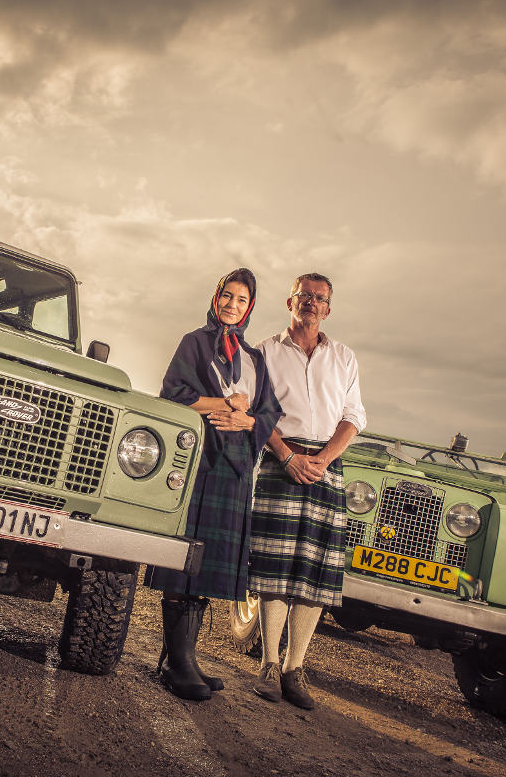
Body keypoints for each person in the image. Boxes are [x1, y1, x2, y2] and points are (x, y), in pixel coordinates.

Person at [145, 268, 282, 701]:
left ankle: (183, 658)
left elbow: (270, 413)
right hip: (199, 460)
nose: (232, 305)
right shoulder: (195, 342)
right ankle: (177, 663)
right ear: (216, 296)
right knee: (185, 554)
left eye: (242, 300)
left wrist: (245, 419)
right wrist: (223, 404)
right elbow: (173, 393)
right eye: (227, 296)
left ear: (250, 308)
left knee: (210, 562)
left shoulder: (255, 358)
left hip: (236, 468)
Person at [249, 272, 366, 710]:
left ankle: (295, 669)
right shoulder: (264, 351)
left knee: (314, 573)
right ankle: (267, 667)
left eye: (320, 299)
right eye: (304, 296)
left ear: (329, 309)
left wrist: (325, 459)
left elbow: (354, 416)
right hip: (281, 462)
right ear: (289, 302)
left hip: (325, 468)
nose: (311, 303)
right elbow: (258, 414)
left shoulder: (344, 357)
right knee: (275, 568)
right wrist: (286, 457)